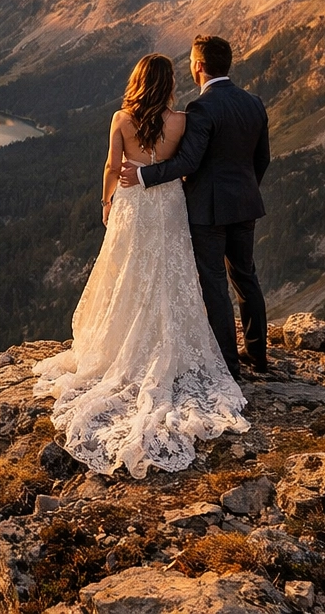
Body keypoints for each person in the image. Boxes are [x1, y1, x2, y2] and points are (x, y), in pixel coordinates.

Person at [33, 53, 248, 478]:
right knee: (170, 274)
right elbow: (185, 167)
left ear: (136, 81)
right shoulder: (182, 121)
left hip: (133, 204)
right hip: (168, 205)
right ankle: (171, 343)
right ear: (169, 83)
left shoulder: (121, 119)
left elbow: (113, 166)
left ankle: (122, 344)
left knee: (128, 273)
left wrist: (106, 200)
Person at [119, 35, 271, 378]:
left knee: (214, 282)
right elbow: (262, 159)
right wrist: (245, 192)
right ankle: (258, 354)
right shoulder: (254, 102)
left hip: (208, 210)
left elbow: (188, 162)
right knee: (246, 278)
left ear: (199, 66)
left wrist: (144, 175)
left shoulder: (202, 108)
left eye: (191, 61)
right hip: (246, 205)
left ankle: (228, 364)